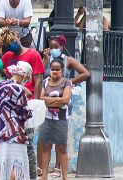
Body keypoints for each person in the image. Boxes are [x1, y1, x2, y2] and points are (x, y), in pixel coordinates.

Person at [36, 35, 90, 177]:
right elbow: (39, 76)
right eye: (50, 46)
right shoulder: (47, 60)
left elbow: (85, 73)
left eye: (56, 47)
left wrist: (70, 81)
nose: (53, 49)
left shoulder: (68, 60)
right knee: (45, 141)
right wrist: (45, 59)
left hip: (62, 108)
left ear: (61, 47)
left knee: (61, 141)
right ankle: (43, 170)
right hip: (46, 109)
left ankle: (58, 168)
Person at [0, 28, 44, 179]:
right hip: (10, 110)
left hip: (27, 105)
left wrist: (34, 105)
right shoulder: (6, 57)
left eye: (13, 41)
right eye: (7, 43)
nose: (11, 45)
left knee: (28, 144)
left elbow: (38, 82)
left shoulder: (33, 55)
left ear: (18, 38)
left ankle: (31, 176)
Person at [0, 61, 33, 180]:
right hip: (15, 133)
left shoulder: (0, 85)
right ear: (24, 75)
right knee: (17, 165)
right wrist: (32, 111)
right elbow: (24, 113)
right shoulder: (20, 90)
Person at [38, 59, 72, 180]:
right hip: (46, 119)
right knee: (46, 146)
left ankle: (65, 177)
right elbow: (41, 99)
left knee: (62, 147)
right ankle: (44, 175)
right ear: (50, 70)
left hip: (61, 119)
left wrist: (49, 100)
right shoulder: (45, 82)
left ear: (62, 71)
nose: (55, 71)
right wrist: (58, 100)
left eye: (57, 69)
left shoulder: (67, 82)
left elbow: (65, 100)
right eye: (53, 69)